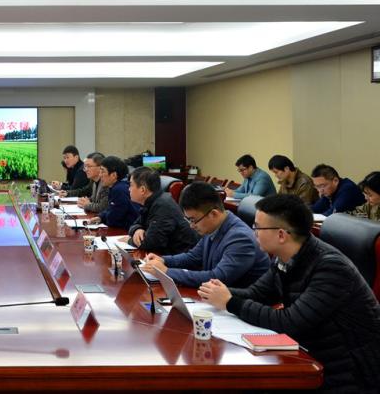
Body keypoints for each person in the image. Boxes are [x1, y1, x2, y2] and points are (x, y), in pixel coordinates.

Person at [198, 194, 380, 393]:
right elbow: (258, 294)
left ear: (282, 235)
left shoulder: (331, 268)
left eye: (257, 227)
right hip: (311, 354)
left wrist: (230, 301)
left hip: (348, 372)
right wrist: (219, 292)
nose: (253, 232)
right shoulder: (285, 257)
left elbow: (289, 322)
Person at [141, 181, 270, 287]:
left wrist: (166, 272)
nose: (191, 226)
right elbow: (193, 257)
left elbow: (217, 278)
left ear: (213, 214)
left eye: (193, 220)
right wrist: (163, 260)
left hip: (240, 304)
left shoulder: (240, 239)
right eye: (188, 220)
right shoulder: (214, 227)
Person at [126, 167, 199, 255]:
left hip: (180, 258)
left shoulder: (163, 206)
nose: (129, 189)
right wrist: (137, 229)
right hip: (165, 255)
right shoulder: (152, 202)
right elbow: (135, 224)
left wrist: (129, 240)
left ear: (142, 190)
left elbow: (151, 244)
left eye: (131, 185)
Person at [91, 155, 139, 229]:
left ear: (114, 175)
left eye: (103, 171)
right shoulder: (118, 186)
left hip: (127, 231)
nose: (100, 175)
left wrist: (104, 218)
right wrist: (101, 217)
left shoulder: (119, 190)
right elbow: (110, 209)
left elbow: (113, 219)